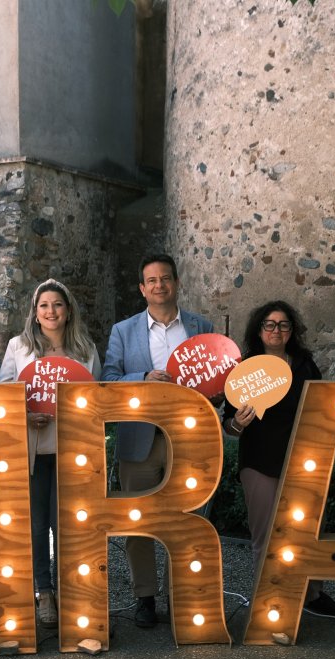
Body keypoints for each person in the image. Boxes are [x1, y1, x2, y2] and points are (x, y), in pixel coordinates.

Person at [102, 253, 214, 628]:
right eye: (152, 280)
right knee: (139, 521)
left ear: (177, 283)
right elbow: (109, 379)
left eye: (166, 278)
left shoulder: (202, 327)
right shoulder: (123, 331)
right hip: (140, 436)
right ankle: (146, 598)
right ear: (142, 289)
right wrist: (142, 377)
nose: (160, 285)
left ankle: (181, 596)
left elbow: (217, 379)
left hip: (188, 436)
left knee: (189, 520)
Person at [221, 300, 335, 619]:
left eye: (283, 325)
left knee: (307, 530)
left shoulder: (305, 365)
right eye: (269, 324)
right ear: (259, 330)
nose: (276, 330)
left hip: (304, 458)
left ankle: (313, 594)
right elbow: (229, 426)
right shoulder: (245, 368)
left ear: (292, 331)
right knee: (266, 533)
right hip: (260, 461)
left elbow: (321, 405)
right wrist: (239, 423)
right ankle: (270, 601)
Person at [0, 279, 102, 630]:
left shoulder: (84, 348)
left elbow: (98, 399)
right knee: (36, 524)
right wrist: (24, 415)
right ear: (35, 311)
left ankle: (73, 595)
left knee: (70, 525)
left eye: (57, 304)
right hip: (31, 449)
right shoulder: (19, 346)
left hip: (72, 449)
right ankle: (45, 594)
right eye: (44, 305)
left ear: (68, 309)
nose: (51, 311)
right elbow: (1, 395)